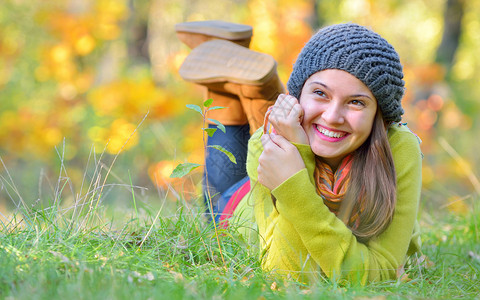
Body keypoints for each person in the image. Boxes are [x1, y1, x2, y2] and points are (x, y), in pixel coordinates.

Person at [176, 21, 422, 284]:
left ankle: (253, 88)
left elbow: (380, 273)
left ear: (380, 117)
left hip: (280, 164)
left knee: (284, 127)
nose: (333, 116)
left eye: (356, 102)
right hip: (235, 204)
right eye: (320, 93)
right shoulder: (265, 142)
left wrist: (293, 182)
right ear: (297, 95)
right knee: (232, 133)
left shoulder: (399, 147)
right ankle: (232, 89)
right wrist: (295, 154)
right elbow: (284, 274)